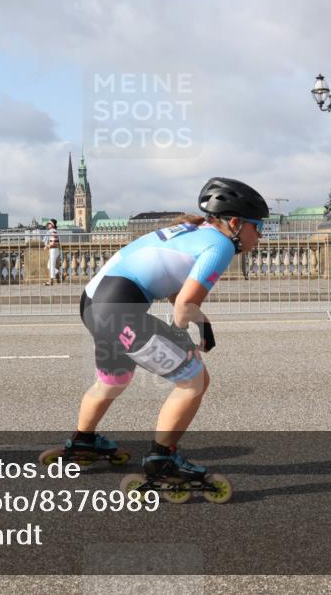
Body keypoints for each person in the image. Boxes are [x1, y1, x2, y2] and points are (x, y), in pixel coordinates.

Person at [62, 177, 267, 486]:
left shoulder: (194, 230)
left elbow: (175, 290)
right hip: (119, 310)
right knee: (194, 380)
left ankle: (83, 441)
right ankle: (162, 460)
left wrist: (200, 324)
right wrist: (184, 330)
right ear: (236, 223)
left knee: (114, 380)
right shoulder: (220, 245)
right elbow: (184, 303)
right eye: (258, 227)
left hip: (95, 303)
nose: (260, 236)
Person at [43, 218, 61, 286]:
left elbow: (53, 242)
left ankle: (51, 281)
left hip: (53, 250)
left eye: (49, 224)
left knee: (51, 266)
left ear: (52, 225)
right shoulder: (53, 231)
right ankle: (61, 274)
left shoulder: (52, 232)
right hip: (54, 250)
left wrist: (47, 246)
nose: (48, 225)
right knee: (49, 266)